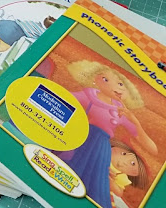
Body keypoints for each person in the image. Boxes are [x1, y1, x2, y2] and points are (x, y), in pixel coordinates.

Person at [57, 61, 157, 208]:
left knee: (95, 184)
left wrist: (136, 123)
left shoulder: (121, 111)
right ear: (95, 79)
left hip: (100, 151)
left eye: (121, 84)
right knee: (66, 172)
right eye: (106, 79)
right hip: (81, 140)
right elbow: (64, 98)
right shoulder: (89, 95)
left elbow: (153, 149)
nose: (116, 87)